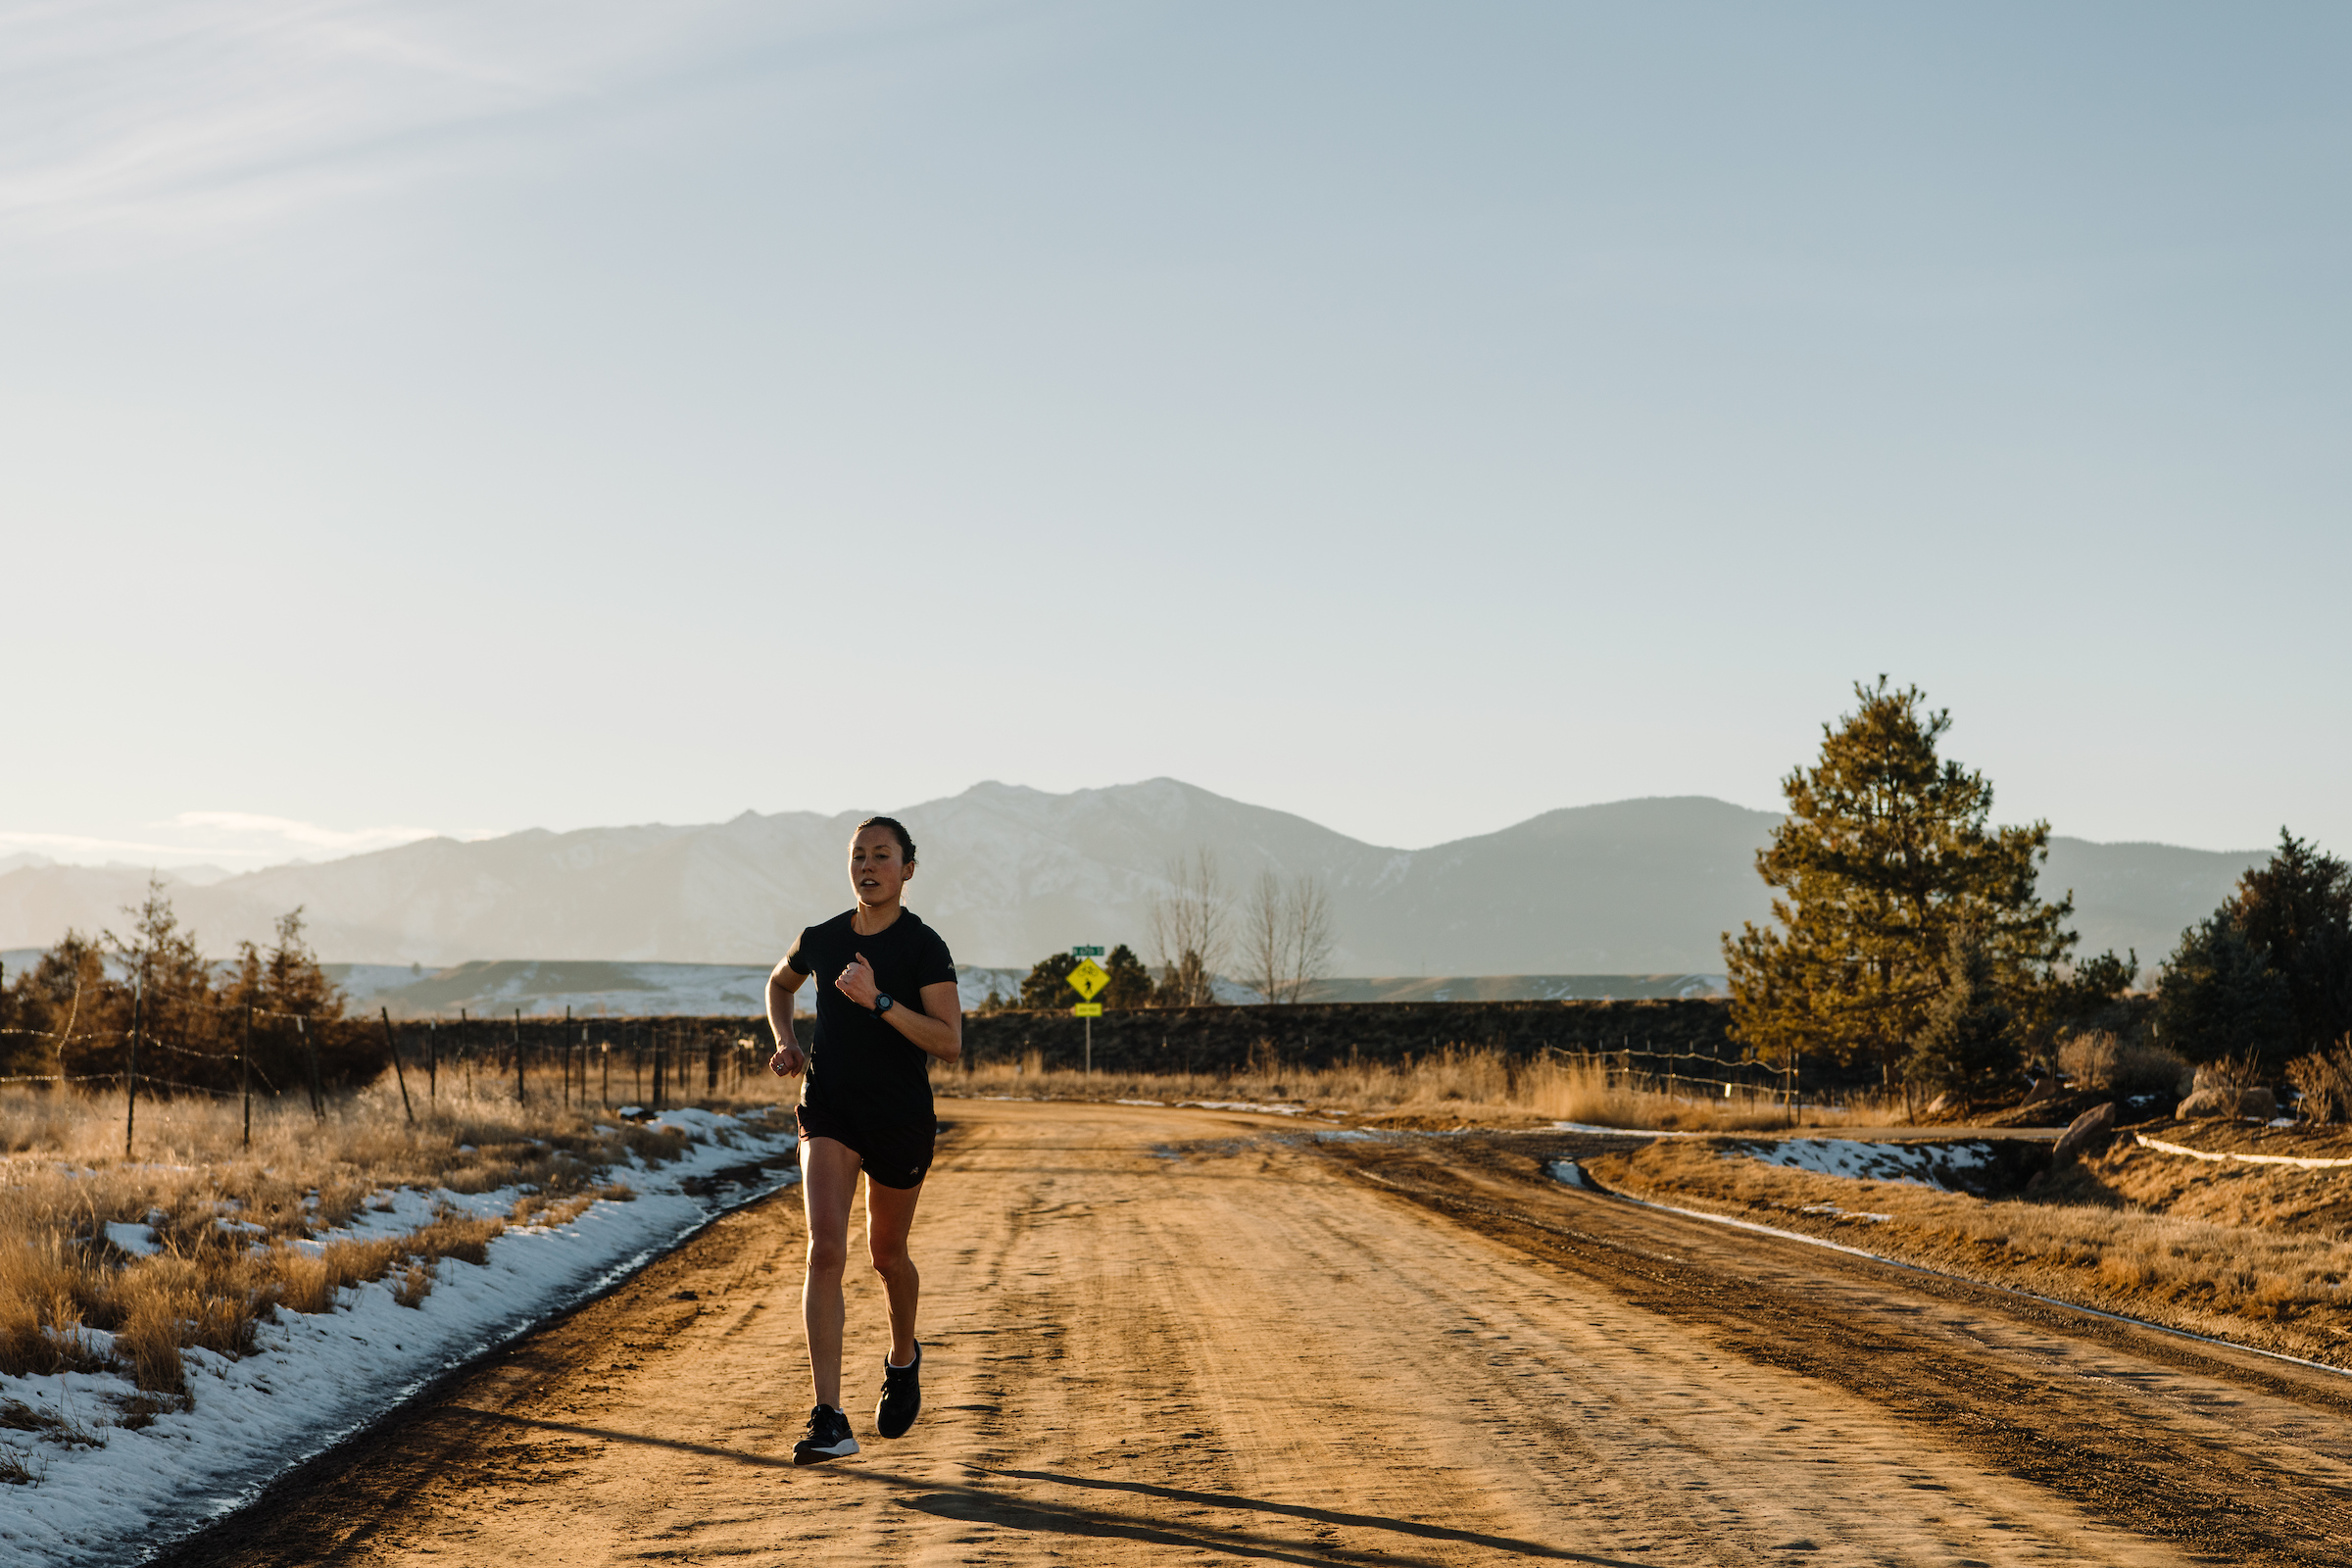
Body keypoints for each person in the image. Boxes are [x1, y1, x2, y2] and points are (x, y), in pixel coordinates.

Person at [767, 815, 961, 1465]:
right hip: (829, 1110)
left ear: (907, 869)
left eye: (882, 855)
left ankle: (903, 1356)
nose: (867, 865)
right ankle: (830, 1419)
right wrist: (787, 1041)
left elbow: (949, 1041)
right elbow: (779, 983)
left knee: (887, 1255)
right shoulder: (821, 939)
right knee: (825, 1249)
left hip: (900, 1117)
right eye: (858, 855)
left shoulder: (922, 947)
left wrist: (878, 1001)